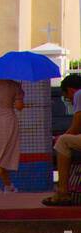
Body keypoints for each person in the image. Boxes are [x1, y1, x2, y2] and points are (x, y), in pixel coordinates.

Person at [43, 73, 81, 205]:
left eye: (67, 97)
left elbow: (76, 126)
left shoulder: (78, 95)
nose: (69, 100)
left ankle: (63, 191)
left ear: (71, 90)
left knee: (62, 142)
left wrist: (62, 136)